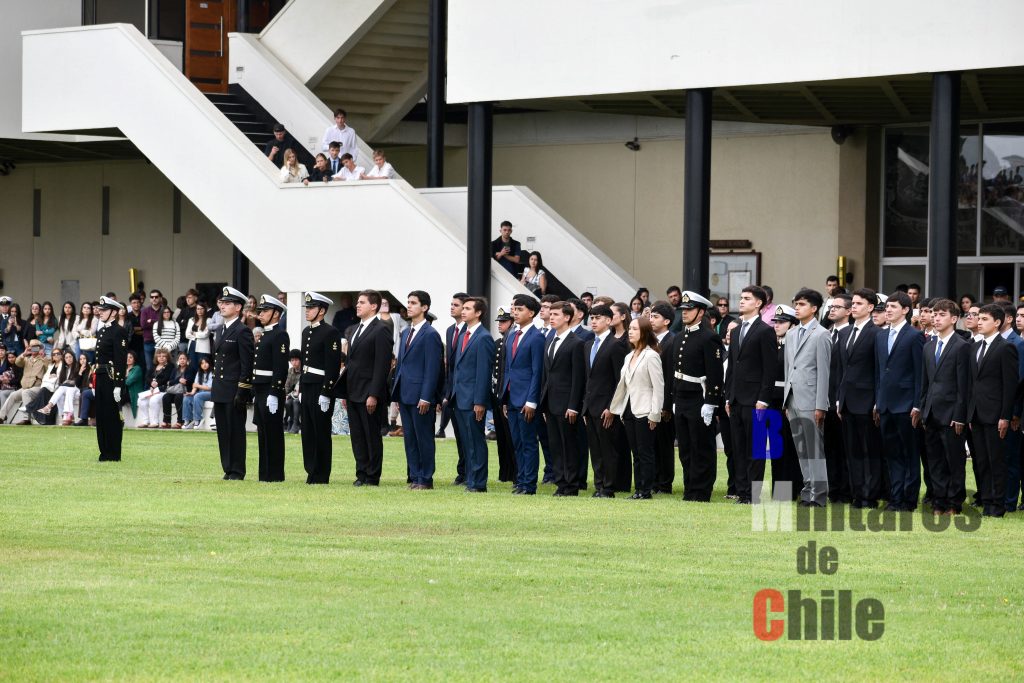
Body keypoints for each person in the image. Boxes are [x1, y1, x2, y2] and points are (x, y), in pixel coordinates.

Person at [661, 292, 724, 501]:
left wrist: (711, 402)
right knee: (686, 448)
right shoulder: (679, 337)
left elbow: (715, 373)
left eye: (689, 309)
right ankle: (690, 487)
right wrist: (671, 401)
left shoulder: (709, 337)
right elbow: (673, 373)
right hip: (682, 398)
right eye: (683, 310)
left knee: (702, 447)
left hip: (700, 398)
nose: (685, 313)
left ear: (701, 312)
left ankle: (701, 490)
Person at [914, 298, 970, 515]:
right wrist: (921, 409)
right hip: (931, 413)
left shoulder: (962, 347)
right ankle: (939, 500)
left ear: (954, 319)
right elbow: (925, 383)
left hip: (952, 414)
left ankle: (954, 503)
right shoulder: (928, 347)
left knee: (953, 460)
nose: (936, 318)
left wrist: (960, 415)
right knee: (934, 461)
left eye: (941, 315)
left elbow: (964, 385)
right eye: (934, 315)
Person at [724, 285, 778, 505]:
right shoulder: (736, 331)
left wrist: (763, 399)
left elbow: (770, 368)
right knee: (738, 447)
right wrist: (728, 396)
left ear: (758, 303)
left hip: (756, 400)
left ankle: (754, 494)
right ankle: (742, 491)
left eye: (747, 298)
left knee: (755, 448)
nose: (742, 301)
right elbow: (733, 368)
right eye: (741, 297)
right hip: (736, 399)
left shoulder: (765, 331)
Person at [874, 290, 924, 511]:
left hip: (906, 405)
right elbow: (879, 372)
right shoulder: (880, 335)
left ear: (905, 310)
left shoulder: (914, 336)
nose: (888, 310)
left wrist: (917, 404)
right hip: (885, 404)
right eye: (887, 307)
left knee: (910, 454)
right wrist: (877, 401)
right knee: (892, 454)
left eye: (893, 307)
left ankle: (909, 499)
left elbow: (920, 373)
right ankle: (895, 498)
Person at [782, 288, 832, 508]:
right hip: (792, 398)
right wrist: (786, 398)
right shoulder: (791, 333)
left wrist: (821, 404)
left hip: (811, 399)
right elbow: (788, 369)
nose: (797, 307)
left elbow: (824, 372)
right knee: (801, 448)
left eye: (802, 304)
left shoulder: (822, 334)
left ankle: (818, 495)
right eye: (796, 303)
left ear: (814, 309)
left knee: (814, 449)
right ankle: (807, 491)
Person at [968, 304, 1018, 517]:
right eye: (978, 318)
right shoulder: (975, 347)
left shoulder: (1005, 347)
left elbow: (1010, 386)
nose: (979, 322)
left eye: (984, 319)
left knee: (996, 460)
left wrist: (1005, 416)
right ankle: (986, 500)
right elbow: (972, 383)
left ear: (997, 322)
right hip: (977, 414)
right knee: (981, 460)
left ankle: (997, 505)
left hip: (996, 414)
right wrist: (969, 413)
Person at [838, 288, 884, 508]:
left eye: (858, 304)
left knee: (870, 451)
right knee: (852, 451)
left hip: (867, 400)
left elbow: (878, 370)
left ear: (871, 307)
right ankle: (857, 492)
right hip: (847, 400)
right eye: (853, 303)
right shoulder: (845, 333)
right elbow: (841, 370)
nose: (853, 307)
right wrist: (839, 398)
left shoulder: (877, 333)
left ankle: (870, 494)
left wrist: (877, 401)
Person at [392, 290, 443, 489]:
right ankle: (414, 476)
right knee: (410, 439)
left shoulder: (430, 334)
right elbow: (401, 366)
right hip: (405, 393)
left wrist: (426, 397)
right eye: (408, 302)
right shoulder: (406, 332)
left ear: (425, 307)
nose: (409, 306)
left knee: (424, 439)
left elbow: (432, 369)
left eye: (413, 303)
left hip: (421, 396)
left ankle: (426, 478)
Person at [610, 316, 664, 500]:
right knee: (636, 453)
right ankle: (638, 489)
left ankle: (646, 490)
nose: (630, 332)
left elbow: (658, 387)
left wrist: (655, 414)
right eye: (630, 328)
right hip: (628, 409)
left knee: (645, 452)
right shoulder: (628, 356)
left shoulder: (652, 356)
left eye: (634, 328)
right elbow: (623, 385)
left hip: (645, 410)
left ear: (644, 332)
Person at [344, 290, 393, 486]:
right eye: (357, 302)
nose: (357, 305)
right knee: (357, 436)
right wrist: (345, 392)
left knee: (371, 436)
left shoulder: (380, 329)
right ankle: (361, 473)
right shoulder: (355, 328)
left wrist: (374, 394)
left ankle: (372, 476)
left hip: (369, 393)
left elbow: (382, 365)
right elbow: (351, 363)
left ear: (374, 306)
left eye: (362, 302)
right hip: (353, 391)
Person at [583, 304, 629, 498]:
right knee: (595, 449)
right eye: (592, 317)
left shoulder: (616, 345)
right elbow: (588, 378)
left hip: (607, 407)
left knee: (608, 448)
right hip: (590, 406)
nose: (593, 321)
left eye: (598, 318)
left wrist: (612, 407)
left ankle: (609, 487)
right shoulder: (588, 345)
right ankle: (599, 484)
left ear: (609, 321)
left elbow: (620, 380)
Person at [540, 301, 586, 496]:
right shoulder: (550, 341)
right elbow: (546, 375)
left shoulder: (576, 343)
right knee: (556, 445)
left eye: (556, 314)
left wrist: (574, 406)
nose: (552, 317)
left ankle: (571, 484)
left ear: (567, 317)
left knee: (569, 445)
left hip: (567, 404)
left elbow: (578, 378)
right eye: (551, 314)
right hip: (550, 403)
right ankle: (560, 482)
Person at [450, 297, 495, 492]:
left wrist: (480, 401)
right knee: (466, 442)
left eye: (468, 308)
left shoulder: (483, 337)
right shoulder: (462, 335)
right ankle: (470, 479)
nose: (463, 311)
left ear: (478, 313)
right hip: (460, 397)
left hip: (473, 399)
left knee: (476, 442)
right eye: (464, 308)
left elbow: (483, 372)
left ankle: (479, 482)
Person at [297, 292, 342, 484]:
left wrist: (326, 391)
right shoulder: (306, 332)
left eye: (311, 308)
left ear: (322, 311)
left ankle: (322, 473)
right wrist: (300, 387)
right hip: (307, 386)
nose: (307, 311)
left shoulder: (330, 332)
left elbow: (332, 366)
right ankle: (311, 470)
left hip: (320, 387)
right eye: (307, 308)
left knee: (320, 431)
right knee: (307, 430)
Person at [212, 286, 255, 481]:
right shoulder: (221, 329)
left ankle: (237, 470)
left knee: (235, 431)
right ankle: (227, 468)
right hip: (220, 387)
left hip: (234, 388)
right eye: (222, 302)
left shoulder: (243, 331)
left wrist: (243, 391)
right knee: (223, 431)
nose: (223, 306)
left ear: (238, 307)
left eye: (227, 303)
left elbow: (247, 365)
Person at [252, 294, 290, 482]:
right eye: (261, 311)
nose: (261, 314)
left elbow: (280, 367)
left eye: (265, 311)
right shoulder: (266, 333)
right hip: (260, 389)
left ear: (276, 314)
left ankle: (275, 475)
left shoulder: (279, 334)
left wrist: (275, 392)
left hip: (270, 390)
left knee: (273, 433)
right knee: (262, 432)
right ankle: (264, 473)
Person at [767, 305, 802, 499]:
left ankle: (793, 489)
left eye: (782, 322)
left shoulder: (794, 345)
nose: (777, 325)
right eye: (776, 322)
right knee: (776, 449)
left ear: (792, 324)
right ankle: (779, 491)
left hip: (788, 400)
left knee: (791, 448)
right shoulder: (773, 343)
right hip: (771, 400)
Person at [92, 297, 129, 460]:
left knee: (112, 416)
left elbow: (120, 360)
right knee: (101, 415)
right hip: (100, 377)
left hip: (111, 378)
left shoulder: (118, 331)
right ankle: (104, 451)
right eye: (100, 309)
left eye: (104, 310)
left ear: (113, 312)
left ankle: (113, 453)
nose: (100, 312)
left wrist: (118, 385)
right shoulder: (102, 331)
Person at [824, 293, 852, 503]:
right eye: (831, 307)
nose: (832, 310)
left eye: (838, 307)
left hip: (843, 401)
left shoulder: (851, 334)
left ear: (849, 311)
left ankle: (845, 491)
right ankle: (833, 490)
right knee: (830, 449)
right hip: (825, 401)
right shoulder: (826, 333)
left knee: (845, 450)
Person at [438, 293, 468, 479]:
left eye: (456, 305)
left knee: (468, 436)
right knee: (458, 433)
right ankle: (462, 471)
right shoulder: (450, 330)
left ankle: (470, 472)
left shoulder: (471, 330)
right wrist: (446, 393)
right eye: (452, 304)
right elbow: (449, 366)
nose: (452, 307)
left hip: (465, 391)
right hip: (452, 392)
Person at [490, 307, 517, 483]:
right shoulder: (498, 342)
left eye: (504, 322)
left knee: (511, 437)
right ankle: (504, 472)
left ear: (512, 323)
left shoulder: (512, 341)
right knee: (501, 437)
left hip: (509, 395)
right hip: (497, 395)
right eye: (499, 322)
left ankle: (515, 473)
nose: (500, 325)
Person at [0, 340, 50, 424]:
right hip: (25, 387)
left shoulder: (44, 359)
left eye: (36, 347)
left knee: (26, 393)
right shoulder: (27, 359)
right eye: (32, 347)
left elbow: (49, 368)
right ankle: (1, 417)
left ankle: (27, 418)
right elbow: (17, 362)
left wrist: (43, 357)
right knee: (13, 395)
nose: (33, 349)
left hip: (38, 387)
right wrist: (24, 353)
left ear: (40, 348)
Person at [37, 349, 80, 424]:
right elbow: (61, 382)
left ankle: (49, 407)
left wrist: (68, 382)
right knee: (61, 393)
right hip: (67, 390)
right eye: (66, 358)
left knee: (67, 388)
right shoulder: (64, 368)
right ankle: (65, 417)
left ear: (73, 357)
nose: (68, 359)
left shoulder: (77, 366)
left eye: (70, 357)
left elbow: (76, 382)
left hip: (77, 390)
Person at [136, 347, 172, 428]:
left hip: (163, 390)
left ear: (167, 357)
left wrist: (157, 383)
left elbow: (167, 378)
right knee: (141, 400)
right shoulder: (154, 366)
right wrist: (151, 383)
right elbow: (147, 377)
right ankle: (145, 421)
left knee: (153, 400)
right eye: (159, 356)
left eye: (163, 356)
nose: (161, 358)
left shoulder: (170, 366)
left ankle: (155, 422)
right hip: (152, 389)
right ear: (156, 357)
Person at [160, 353, 193, 428]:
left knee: (178, 397)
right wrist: (179, 379)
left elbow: (189, 381)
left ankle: (180, 421)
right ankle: (167, 421)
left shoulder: (190, 369)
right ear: (178, 360)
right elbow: (170, 382)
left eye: (184, 359)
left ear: (187, 360)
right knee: (166, 397)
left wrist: (184, 381)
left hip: (185, 391)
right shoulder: (175, 369)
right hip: (174, 390)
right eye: (180, 359)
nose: (182, 360)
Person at [181, 357, 213, 430]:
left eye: (206, 363)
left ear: (209, 363)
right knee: (187, 398)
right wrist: (192, 393)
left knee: (198, 396)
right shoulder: (199, 373)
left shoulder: (212, 372)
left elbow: (210, 387)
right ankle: (187, 420)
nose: (204, 365)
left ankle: (198, 419)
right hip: (201, 393)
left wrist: (197, 386)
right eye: (202, 363)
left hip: (211, 393)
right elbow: (195, 385)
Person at [185, 302, 211, 366]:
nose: (200, 311)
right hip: (192, 345)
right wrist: (197, 336)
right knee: (192, 365)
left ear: (205, 309)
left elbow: (205, 334)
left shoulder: (209, 320)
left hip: (203, 346)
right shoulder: (191, 320)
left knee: (203, 365)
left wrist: (194, 333)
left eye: (202, 309)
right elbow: (187, 334)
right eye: (198, 309)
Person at [174, 289, 198, 357]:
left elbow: (196, 326)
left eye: (190, 297)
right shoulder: (184, 309)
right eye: (186, 298)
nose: (187, 299)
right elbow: (177, 324)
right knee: (181, 361)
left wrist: (184, 322)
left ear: (195, 298)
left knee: (192, 361)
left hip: (193, 340)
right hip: (182, 340)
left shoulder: (198, 310)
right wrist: (185, 324)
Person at [284, 350, 302, 433]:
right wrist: (287, 394)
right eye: (292, 360)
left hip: (301, 395)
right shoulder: (290, 371)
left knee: (295, 402)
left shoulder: (304, 370)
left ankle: (296, 424)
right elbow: (287, 385)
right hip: (292, 394)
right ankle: (291, 421)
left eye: (296, 360)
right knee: (287, 403)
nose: (294, 362)